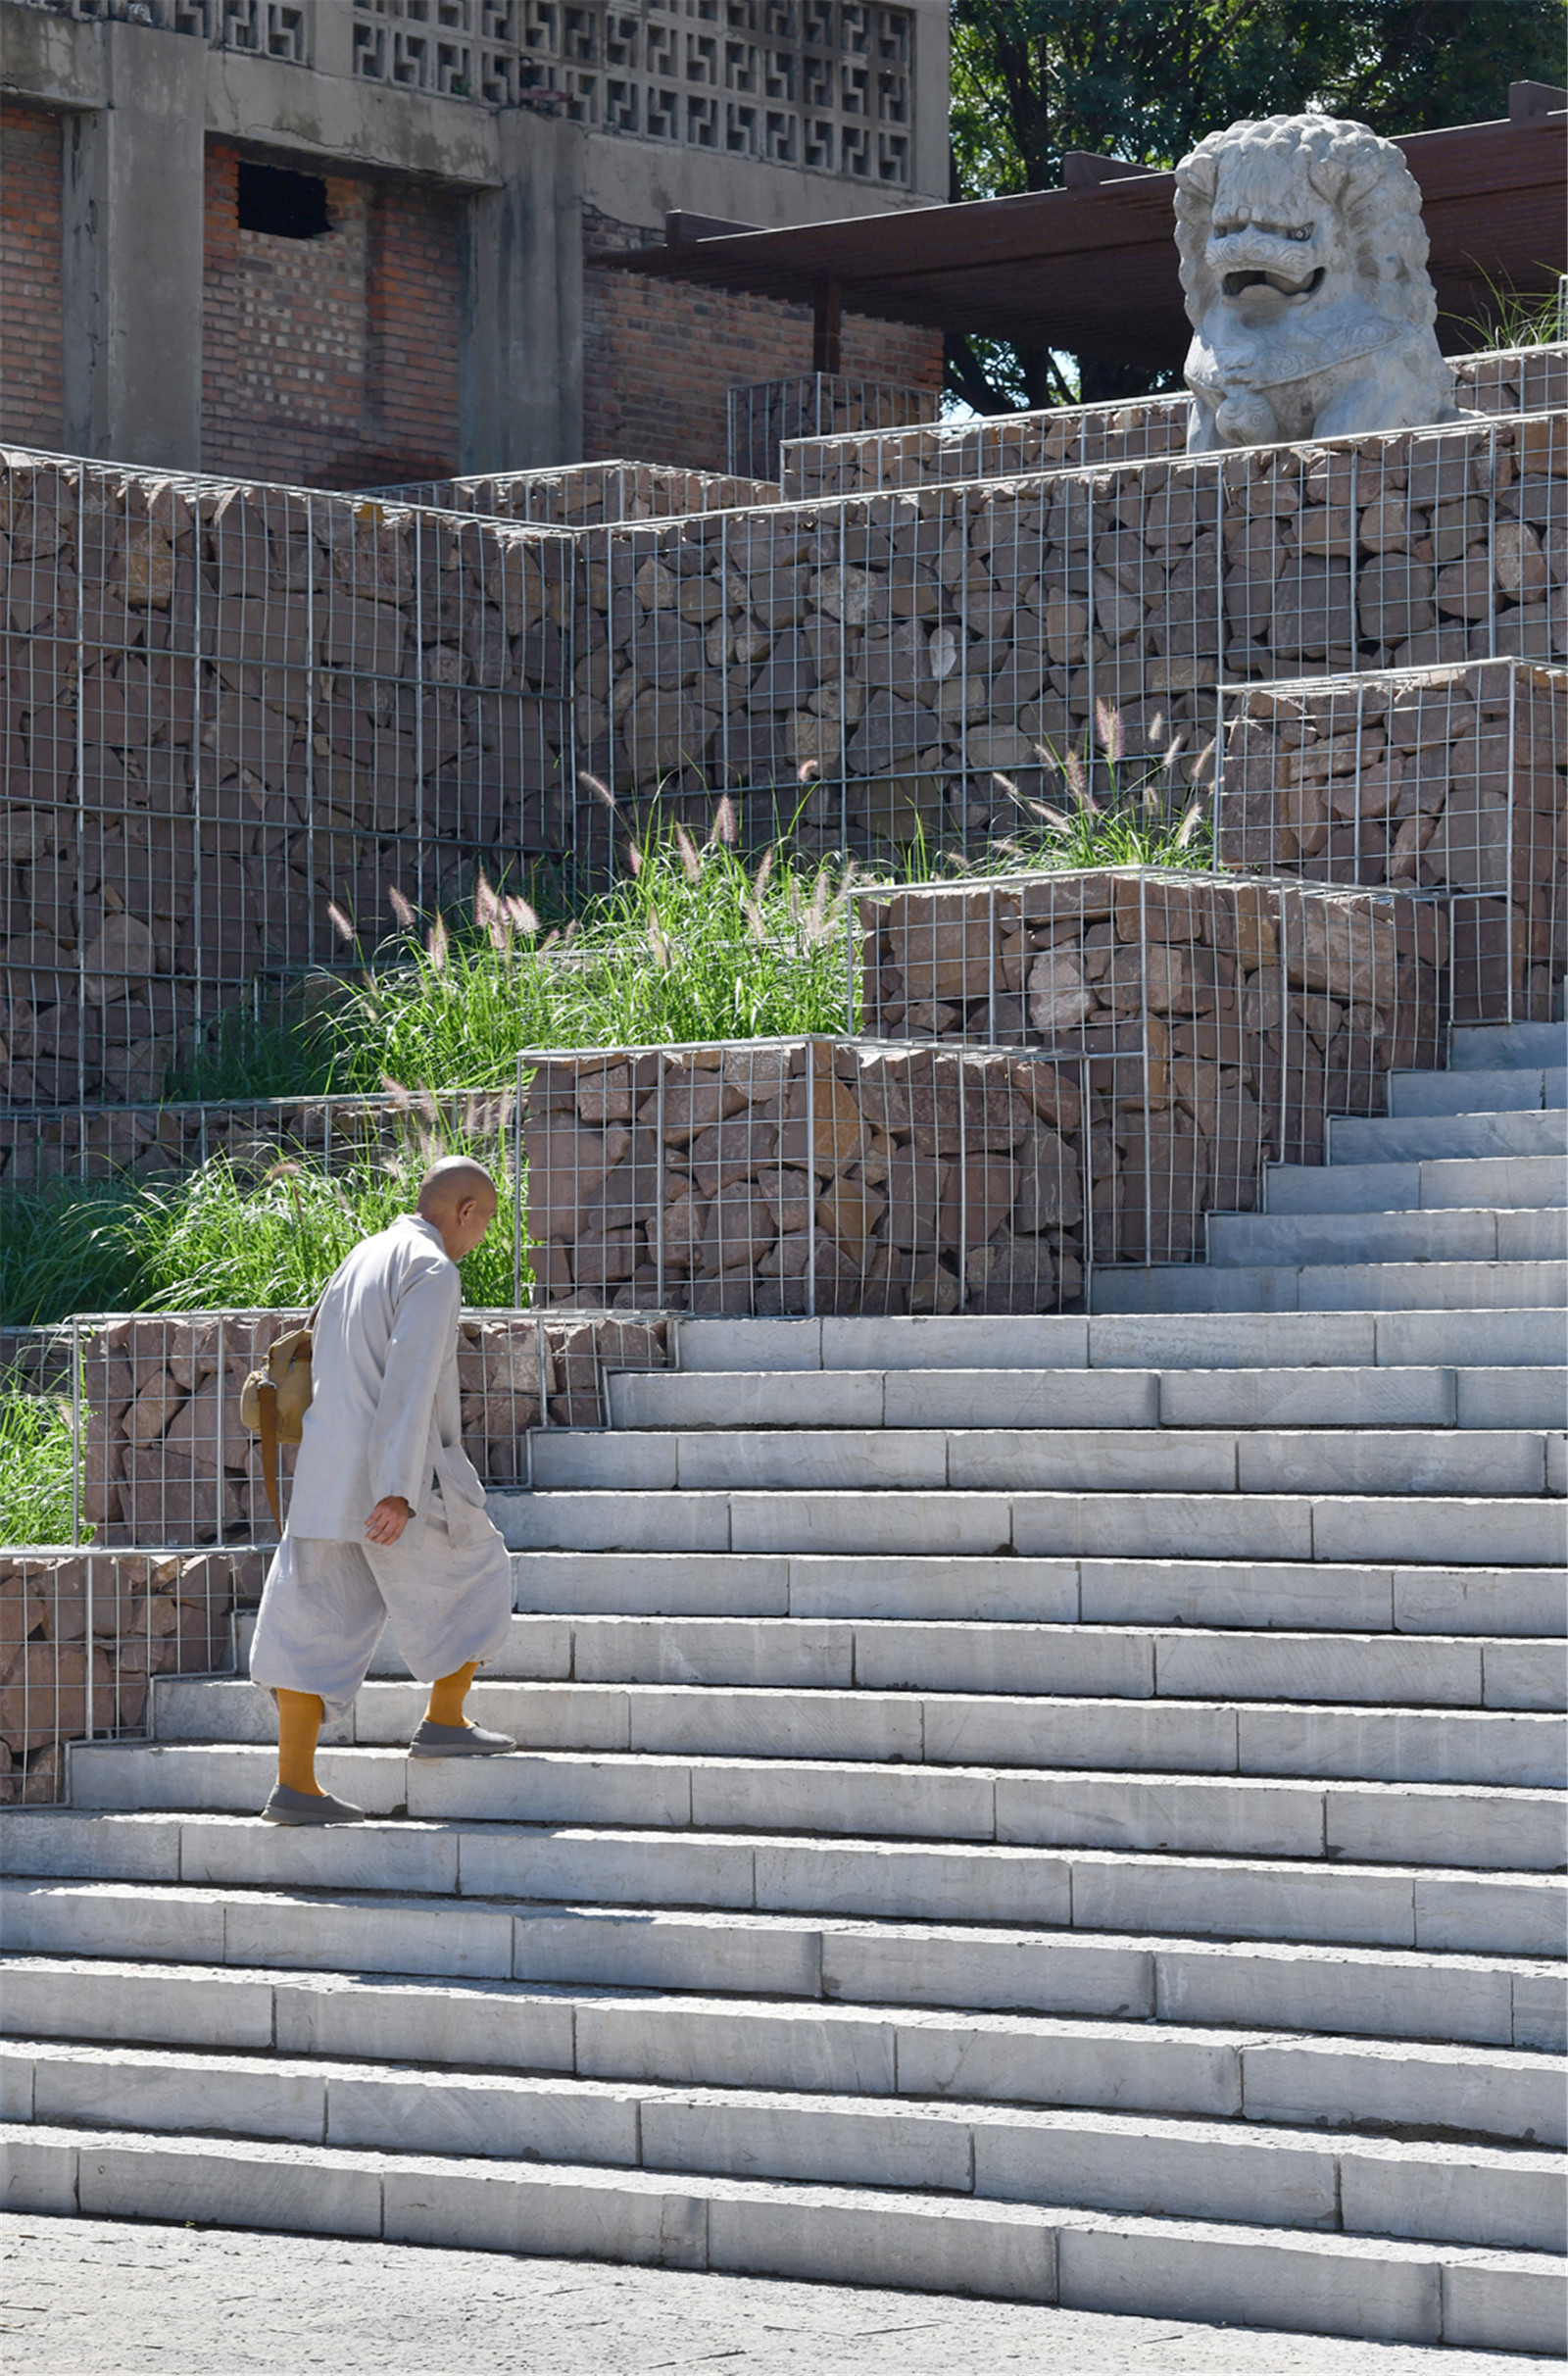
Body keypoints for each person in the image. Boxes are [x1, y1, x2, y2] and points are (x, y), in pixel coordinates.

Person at [249, 1157, 517, 1823]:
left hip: (323, 1479)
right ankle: (446, 1721)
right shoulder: (431, 1269)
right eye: (483, 1221)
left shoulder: (362, 1254)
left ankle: (295, 1787)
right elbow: (409, 1380)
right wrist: (397, 1490)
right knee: (481, 1572)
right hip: (388, 1485)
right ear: (463, 1210)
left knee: (307, 1625)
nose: (479, 1236)